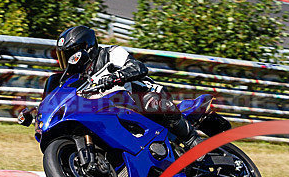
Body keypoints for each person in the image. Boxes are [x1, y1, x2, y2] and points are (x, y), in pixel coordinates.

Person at [26, 26, 202, 149]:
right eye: (63, 56)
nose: (68, 60)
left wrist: (116, 76)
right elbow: (60, 100)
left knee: (153, 102)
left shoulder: (111, 53)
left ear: (85, 48)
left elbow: (138, 67)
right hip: (110, 109)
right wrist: (35, 112)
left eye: (70, 54)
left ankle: (192, 141)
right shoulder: (73, 79)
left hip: (137, 97)